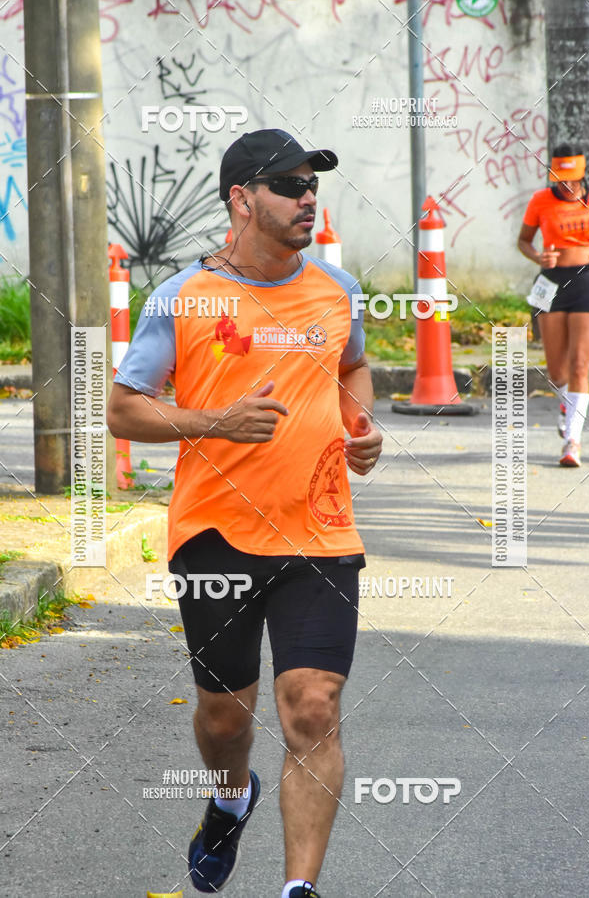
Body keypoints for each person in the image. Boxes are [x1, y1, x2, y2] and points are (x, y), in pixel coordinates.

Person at [107, 128, 383, 897]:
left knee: (313, 706)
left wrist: (361, 426)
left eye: (312, 187)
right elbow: (125, 410)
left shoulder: (337, 290)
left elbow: (353, 368)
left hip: (320, 531)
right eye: (289, 186)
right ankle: (230, 795)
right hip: (217, 535)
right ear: (241, 199)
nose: (306, 199)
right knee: (226, 717)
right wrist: (214, 422)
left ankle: (299, 888)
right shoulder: (184, 297)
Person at [518, 142, 589, 466]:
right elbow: (523, 240)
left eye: (573, 179)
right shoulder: (540, 200)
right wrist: (539, 255)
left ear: (583, 174)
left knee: (580, 363)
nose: (566, 186)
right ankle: (567, 404)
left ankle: (572, 442)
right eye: (560, 179)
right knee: (556, 370)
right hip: (549, 283)